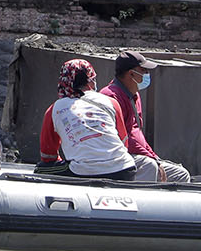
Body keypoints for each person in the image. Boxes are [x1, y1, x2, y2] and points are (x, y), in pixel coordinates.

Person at [100, 50, 192, 183]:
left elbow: (137, 133)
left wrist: (155, 157)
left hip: (140, 156)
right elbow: (123, 138)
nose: (147, 75)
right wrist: (151, 158)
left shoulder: (134, 96)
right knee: (150, 167)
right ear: (131, 73)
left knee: (180, 175)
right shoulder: (110, 96)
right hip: (119, 159)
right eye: (143, 70)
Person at [39, 58, 136, 181]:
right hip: (125, 169)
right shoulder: (111, 102)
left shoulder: (54, 109)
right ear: (90, 82)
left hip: (83, 172)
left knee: (41, 169)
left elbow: (47, 156)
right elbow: (123, 142)